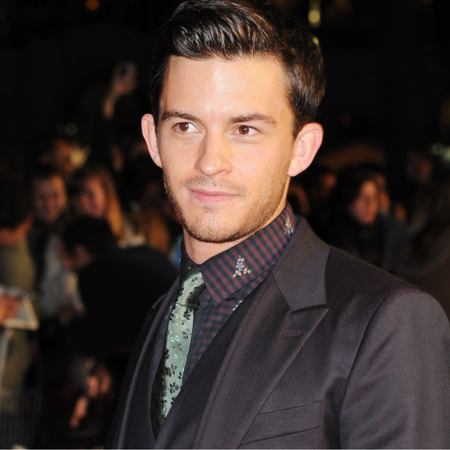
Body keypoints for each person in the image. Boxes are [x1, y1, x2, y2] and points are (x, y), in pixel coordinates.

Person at [107, 1, 450, 448]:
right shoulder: (161, 312)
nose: (211, 162)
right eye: (187, 126)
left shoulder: (386, 322)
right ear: (154, 140)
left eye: (244, 130)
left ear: (301, 149)